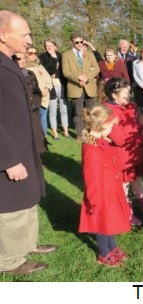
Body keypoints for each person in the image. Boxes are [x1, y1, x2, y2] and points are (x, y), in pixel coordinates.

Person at [0, 10, 56, 276]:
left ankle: (27, 244)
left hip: (24, 144)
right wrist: (8, 160)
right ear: (2, 35)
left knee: (28, 198)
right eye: (24, 34)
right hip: (8, 152)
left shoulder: (8, 60)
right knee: (12, 207)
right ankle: (10, 260)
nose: (30, 40)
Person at [79, 104, 131, 267]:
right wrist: (94, 201)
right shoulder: (91, 150)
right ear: (103, 126)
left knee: (110, 221)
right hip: (100, 195)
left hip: (110, 190)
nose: (112, 131)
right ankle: (103, 253)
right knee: (102, 224)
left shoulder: (99, 142)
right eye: (111, 127)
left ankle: (112, 246)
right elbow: (91, 178)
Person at [102, 77, 143, 226]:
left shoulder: (129, 107)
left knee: (138, 183)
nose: (129, 96)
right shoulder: (108, 112)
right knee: (124, 187)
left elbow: (135, 126)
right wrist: (142, 138)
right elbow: (120, 139)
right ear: (114, 95)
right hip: (122, 159)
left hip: (134, 155)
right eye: (125, 93)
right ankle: (127, 214)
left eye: (129, 92)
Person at [62, 32, 100, 140]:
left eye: (81, 42)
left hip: (89, 86)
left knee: (91, 112)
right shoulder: (66, 55)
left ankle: (91, 132)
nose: (79, 44)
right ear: (72, 42)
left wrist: (87, 77)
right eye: (76, 42)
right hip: (75, 87)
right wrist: (79, 78)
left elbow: (96, 68)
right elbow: (66, 72)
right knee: (78, 112)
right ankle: (79, 135)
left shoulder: (90, 54)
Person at [16, 52, 48, 154]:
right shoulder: (12, 75)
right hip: (18, 112)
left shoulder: (30, 74)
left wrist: (35, 106)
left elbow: (36, 92)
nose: (22, 61)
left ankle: (38, 160)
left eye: (24, 58)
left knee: (36, 136)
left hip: (32, 110)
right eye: (18, 59)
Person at [39, 38, 70, 140]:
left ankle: (66, 132)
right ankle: (55, 133)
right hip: (51, 86)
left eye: (51, 45)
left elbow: (64, 71)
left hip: (62, 85)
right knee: (52, 111)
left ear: (55, 46)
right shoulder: (42, 57)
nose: (49, 47)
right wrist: (52, 58)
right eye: (47, 46)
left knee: (64, 109)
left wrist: (55, 73)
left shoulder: (62, 56)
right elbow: (48, 70)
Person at [26, 47, 53, 138]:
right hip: (33, 98)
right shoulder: (24, 67)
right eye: (30, 53)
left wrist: (47, 89)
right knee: (33, 118)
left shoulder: (40, 66)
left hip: (44, 97)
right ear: (26, 54)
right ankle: (35, 137)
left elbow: (49, 80)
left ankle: (44, 137)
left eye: (35, 53)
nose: (33, 55)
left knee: (43, 118)